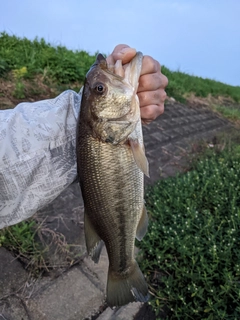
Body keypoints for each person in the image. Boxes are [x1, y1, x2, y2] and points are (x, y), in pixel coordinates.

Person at [0, 44, 168, 229]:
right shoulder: (107, 131)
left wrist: (75, 120)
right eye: (100, 89)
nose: (100, 88)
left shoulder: (104, 129)